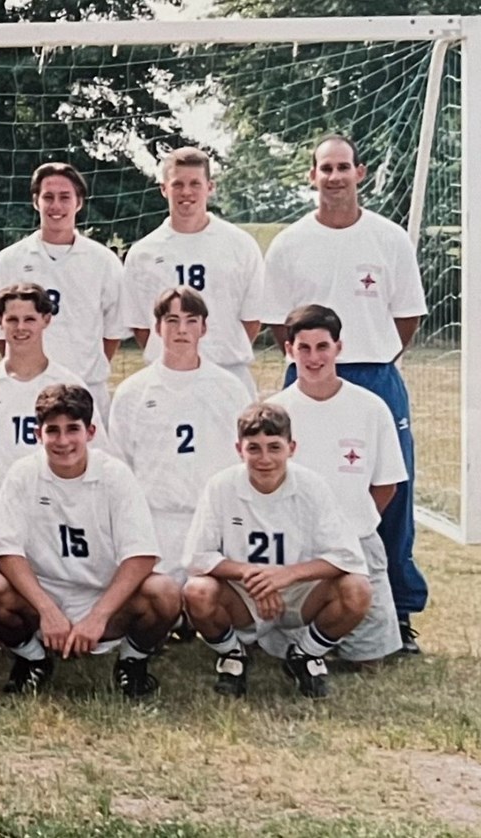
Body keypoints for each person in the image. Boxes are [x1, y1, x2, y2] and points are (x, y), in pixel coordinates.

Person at [257, 135, 427, 653]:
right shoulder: (289, 243)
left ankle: (395, 610)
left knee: (388, 492)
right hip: (305, 374)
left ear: (361, 172)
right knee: (297, 488)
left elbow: (408, 316)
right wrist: (312, 364)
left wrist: (368, 360)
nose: (333, 177)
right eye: (324, 169)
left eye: (342, 168)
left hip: (373, 373)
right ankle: (298, 606)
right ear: (311, 176)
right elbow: (274, 322)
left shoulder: (388, 237)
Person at [0, 384, 179, 697]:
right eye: (52, 430)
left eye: (73, 429)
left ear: (91, 432)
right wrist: (47, 610)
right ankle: (33, 659)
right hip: (44, 595)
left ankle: (132, 663)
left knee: (164, 593)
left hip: (102, 596)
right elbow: (7, 551)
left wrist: (98, 617)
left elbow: (141, 556)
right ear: (38, 434)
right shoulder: (23, 474)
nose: (63, 440)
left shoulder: (115, 476)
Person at [182, 402, 372, 698]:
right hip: (244, 593)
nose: (265, 458)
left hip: (299, 592)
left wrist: (287, 575)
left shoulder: (312, 486)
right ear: (238, 449)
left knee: (357, 589)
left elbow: (347, 556)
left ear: (291, 447)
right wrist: (251, 574)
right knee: (197, 590)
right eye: (254, 448)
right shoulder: (221, 486)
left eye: (274, 447)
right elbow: (197, 557)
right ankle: (233, 655)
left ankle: (305, 654)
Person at [266, 304, 405, 664]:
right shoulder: (275, 411)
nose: (314, 358)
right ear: (288, 350)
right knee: (277, 653)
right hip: (295, 550)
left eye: (322, 347)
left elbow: (386, 485)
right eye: (304, 348)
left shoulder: (371, 408)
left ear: (339, 348)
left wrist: (350, 528)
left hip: (356, 546)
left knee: (368, 660)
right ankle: (304, 646)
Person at [109, 287, 248, 579]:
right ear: (158, 328)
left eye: (190, 320)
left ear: (204, 327)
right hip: (156, 519)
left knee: (208, 600)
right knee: (156, 603)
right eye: (172, 320)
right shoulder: (132, 392)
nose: (181, 330)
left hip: (214, 519)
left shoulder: (230, 388)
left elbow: (244, 459)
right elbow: (121, 464)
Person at [0, 162, 129, 421]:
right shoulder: (10, 260)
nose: (56, 206)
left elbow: (112, 333)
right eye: (48, 197)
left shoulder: (103, 261)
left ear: (79, 202)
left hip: (86, 389)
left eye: (65, 197)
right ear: (36, 201)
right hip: (27, 390)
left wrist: (82, 369)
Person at [125, 148, 264, 395]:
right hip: (167, 378)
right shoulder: (143, 252)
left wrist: (217, 353)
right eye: (177, 184)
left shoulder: (240, 245)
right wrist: (175, 357)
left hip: (229, 374)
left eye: (195, 184)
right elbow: (141, 326)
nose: (186, 192)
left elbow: (252, 319)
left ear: (210, 187)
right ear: (164, 188)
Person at [0, 283, 111, 496]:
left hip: (58, 509)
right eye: (12, 319)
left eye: (29, 319)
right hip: (0, 512)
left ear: (46, 320)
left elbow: (98, 453)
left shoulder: (69, 385)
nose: (20, 327)